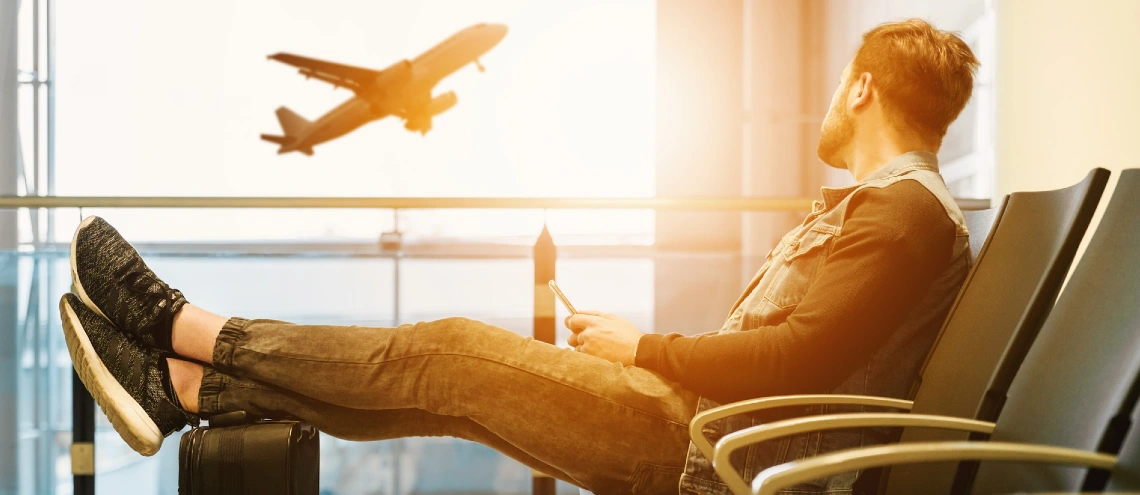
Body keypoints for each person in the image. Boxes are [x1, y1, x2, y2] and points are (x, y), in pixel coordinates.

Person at [59, 18, 979, 495]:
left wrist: (642, 349)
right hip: (707, 430)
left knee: (444, 351)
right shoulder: (894, 214)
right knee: (443, 392)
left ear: (861, 86)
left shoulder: (902, 217)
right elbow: (798, 352)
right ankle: (181, 392)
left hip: (705, 449)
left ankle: (182, 328)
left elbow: (792, 362)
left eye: (835, 86)